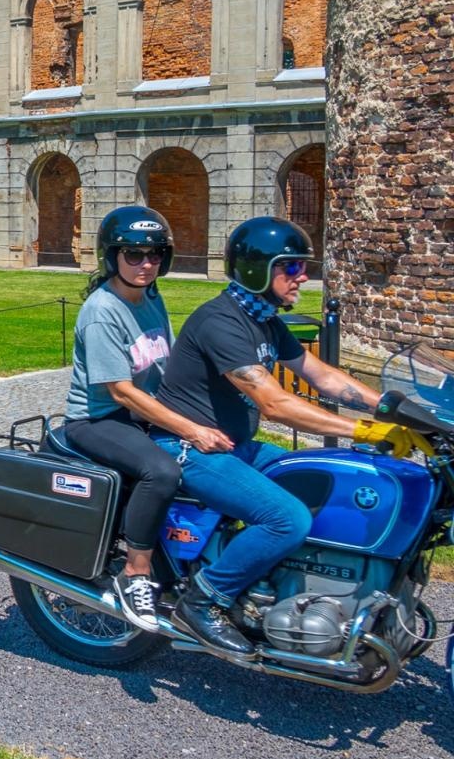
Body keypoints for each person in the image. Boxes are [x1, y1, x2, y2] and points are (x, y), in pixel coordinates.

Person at [151, 216, 405, 658]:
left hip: (236, 446)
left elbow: (318, 373)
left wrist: (388, 408)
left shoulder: (265, 319)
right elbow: (275, 404)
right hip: (188, 448)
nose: (303, 276)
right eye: (291, 267)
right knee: (288, 518)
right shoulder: (221, 322)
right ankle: (203, 600)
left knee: (334, 481)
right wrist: (365, 429)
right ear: (257, 269)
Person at [63, 207, 234, 630]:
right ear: (112, 256)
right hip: (99, 420)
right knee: (160, 471)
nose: (145, 264)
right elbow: (120, 391)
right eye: (134, 254)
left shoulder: (150, 298)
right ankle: (135, 574)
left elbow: (165, 364)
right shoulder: (103, 311)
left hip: (136, 413)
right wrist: (191, 428)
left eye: (155, 254)